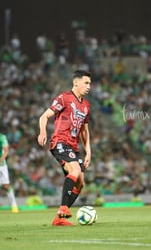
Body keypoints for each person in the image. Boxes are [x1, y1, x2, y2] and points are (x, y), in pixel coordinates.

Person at [38, 69, 92, 226]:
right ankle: (63, 208)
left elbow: (85, 131)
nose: (89, 86)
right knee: (75, 171)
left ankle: (59, 219)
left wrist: (88, 151)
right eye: (86, 83)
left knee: (80, 183)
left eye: (90, 83)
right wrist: (42, 132)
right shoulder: (64, 98)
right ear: (76, 82)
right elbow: (44, 116)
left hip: (73, 147)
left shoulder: (86, 106)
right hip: (60, 142)